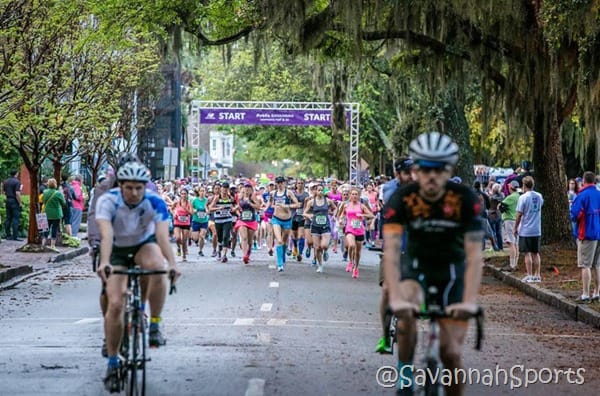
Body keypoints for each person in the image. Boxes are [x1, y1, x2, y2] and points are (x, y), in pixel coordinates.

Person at [382, 131, 483, 396]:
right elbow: (391, 252)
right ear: (415, 169)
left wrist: (469, 299)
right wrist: (394, 294)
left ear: (449, 170)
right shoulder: (401, 199)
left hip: (452, 271)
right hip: (416, 268)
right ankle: (405, 378)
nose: (431, 176)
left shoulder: (466, 200)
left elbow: (474, 256)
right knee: (405, 318)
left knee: (450, 353)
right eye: (425, 168)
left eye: (439, 169)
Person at [95, 161, 180, 393]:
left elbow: (162, 237)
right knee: (115, 302)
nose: (134, 193)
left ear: (146, 187)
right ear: (120, 186)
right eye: (129, 187)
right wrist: (104, 262)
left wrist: (173, 263)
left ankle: (154, 325)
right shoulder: (108, 201)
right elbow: (106, 234)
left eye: (139, 188)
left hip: (144, 245)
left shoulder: (155, 201)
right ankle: (113, 364)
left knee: (158, 268)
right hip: (117, 249)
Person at [570, 171, 600, 302]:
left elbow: (576, 214)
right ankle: (597, 292)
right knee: (597, 265)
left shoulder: (582, 195)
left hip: (586, 233)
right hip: (598, 232)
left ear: (584, 180)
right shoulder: (599, 194)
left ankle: (585, 294)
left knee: (585, 265)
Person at [338, 186, 374, 278]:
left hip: (359, 230)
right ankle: (350, 262)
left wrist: (363, 215)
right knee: (351, 245)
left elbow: (371, 215)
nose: (354, 196)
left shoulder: (361, 206)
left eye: (356, 194)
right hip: (349, 228)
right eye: (352, 194)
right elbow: (342, 215)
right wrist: (341, 220)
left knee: (358, 252)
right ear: (350, 195)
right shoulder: (346, 205)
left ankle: (356, 268)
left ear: (358, 196)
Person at [265, 176, 299, 272]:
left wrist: (287, 206)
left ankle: (282, 255)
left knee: (284, 241)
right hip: (276, 219)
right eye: (278, 183)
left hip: (287, 220)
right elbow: (269, 202)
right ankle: (280, 264)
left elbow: (297, 204)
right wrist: (265, 208)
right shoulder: (272, 193)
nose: (279, 185)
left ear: (284, 183)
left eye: (281, 183)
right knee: (279, 241)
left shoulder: (288, 193)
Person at [514, 176, 544, 283]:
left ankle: (529, 274)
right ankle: (538, 274)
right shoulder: (539, 196)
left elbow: (519, 215)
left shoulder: (523, 198)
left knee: (527, 253)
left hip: (526, 229)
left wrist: (515, 228)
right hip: (536, 229)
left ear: (524, 185)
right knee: (536, 253)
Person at [500, 181, 521, 271]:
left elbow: (500, 206)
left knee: (510, 242)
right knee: (516, 243)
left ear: (511, 187)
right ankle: (515, 263)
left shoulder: (511, 197)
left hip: (509, 220)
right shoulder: (519, 196)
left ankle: (512, 265)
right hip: (516, 220)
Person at [42, 178, 65, 252]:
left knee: (45, 229)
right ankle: (52, 245)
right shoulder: (58, 193)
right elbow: (63, 203)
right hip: (56, 214)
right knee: (54, 229)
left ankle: (43, 244)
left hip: (47, 213)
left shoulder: (45, 192)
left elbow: (43, 200)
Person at [172, 188, 193, 261]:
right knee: (177, 238)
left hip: (186, 223)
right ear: (180, 194)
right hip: (177, 222)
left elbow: (191, 213)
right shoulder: (176, 202)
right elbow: (171, 209)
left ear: (187, 195)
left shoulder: (189, 203)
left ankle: (184, 256)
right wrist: (174, 214)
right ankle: (178, 247)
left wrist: (186, 209)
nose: (183, 195)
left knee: (184, 240)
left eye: (185, 194)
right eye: (182, 194)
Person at [2, 169, 23, 240]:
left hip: (8, 200)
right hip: (14, 201)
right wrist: (20, 203)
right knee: (15, 219)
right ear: (16, 174)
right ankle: (15, 236)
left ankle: (7, 234)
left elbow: (4, 192)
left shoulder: (6, 182)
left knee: (8, 218)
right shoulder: (17, 182)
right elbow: (17, 193)